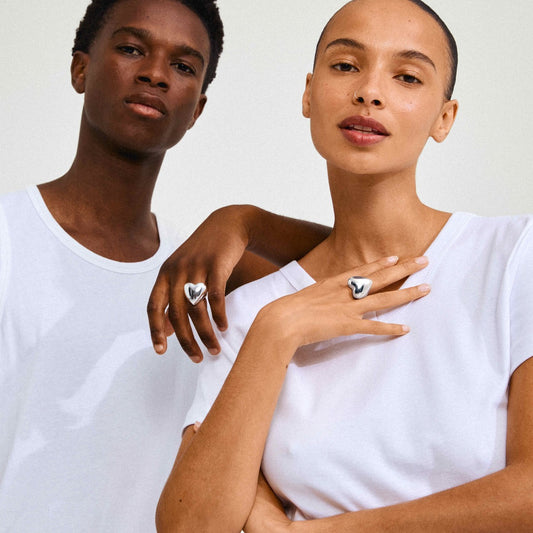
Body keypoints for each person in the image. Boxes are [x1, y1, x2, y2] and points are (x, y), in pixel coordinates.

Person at [154, 0, 533, 531]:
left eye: (407, 76)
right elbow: (189, 525)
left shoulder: (515, 257)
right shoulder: (252, 314)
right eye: (346, 65)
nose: (369, 91)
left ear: (443, 118)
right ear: (308, 94)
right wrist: (275, 333)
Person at [0, 1, 331, 531]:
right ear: (80, 69)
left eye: (182, 65)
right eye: (132, 49)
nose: (155, 73)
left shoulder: (204, 277)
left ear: (196, 108)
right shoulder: (10, 236)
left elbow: (368, 260)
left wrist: (243, 220)